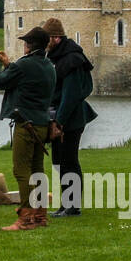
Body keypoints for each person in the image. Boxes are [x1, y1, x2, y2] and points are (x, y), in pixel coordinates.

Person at [0, 26, 56, 231]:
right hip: (43, 123)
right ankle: (40, 215)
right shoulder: (48, 65)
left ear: (30, 45)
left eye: (26, 42)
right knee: (37, 171)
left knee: (21, 171)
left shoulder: (25, 65)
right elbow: (24, 81)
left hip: (26, 124)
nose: (24, 45)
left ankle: (26, 217)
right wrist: (9, 65)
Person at [41, 18, 97, 217]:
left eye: (46, 38)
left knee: (69, 161)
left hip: (70, 119)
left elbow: (71, 95)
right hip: (60, 117)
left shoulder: (72, 59)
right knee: (59, 161)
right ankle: (66, 204)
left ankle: (73, 206)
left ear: (56, 38)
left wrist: (60, 122)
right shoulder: (57, 56)